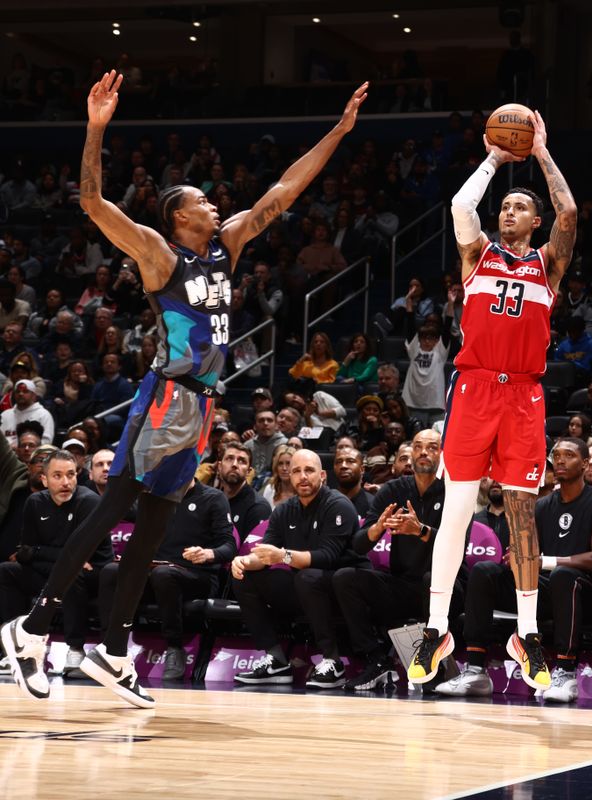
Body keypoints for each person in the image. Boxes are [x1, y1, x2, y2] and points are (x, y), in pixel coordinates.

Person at [0, 69, 368, 707]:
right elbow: (91, 201)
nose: (214, 203)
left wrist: (337, 131)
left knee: (151, 530)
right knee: (114, 510)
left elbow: (285, 188)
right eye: (201, 199)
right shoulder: (156, 254)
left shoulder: (226, 246)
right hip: (165, 397)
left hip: (200, 405)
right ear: (178, 216)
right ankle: (31, 628)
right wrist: (94, 130)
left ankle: (112, 652)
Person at [407, 109, 577, 688]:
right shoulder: (476, 254)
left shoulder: (547, 263)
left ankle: (527, 633)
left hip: (524, 395)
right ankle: (436, 627)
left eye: (519, 207)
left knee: (522, 512)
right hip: (475, 388)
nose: (509, 211)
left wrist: (542, 152)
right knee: (457, 506)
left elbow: (571, 214)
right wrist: (496, 159)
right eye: (505, 205)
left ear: (534, 220)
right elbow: (460, 207)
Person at [437, 437, 592, 700]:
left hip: (586, 594)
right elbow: (526, 554)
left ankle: (566, 673)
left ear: (585, 463)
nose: (561, 460)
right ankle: (475, 669)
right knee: (485, 571)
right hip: (543, 590)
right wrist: (517, 558)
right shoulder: (541, 505)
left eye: (569, 455)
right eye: (557, 456)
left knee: (563, 576)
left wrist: (542, 561)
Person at [231, 450, 367, 689]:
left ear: (322, 475)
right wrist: (243, 561)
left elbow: (327, 557)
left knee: (308, 577)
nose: (302, 477)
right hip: (304, 589)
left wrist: (283, 555)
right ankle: (276, 660)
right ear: (289, 476)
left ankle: (333, 661)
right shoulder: (284, 510)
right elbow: (265, 553)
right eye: (296, 471)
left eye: (309, 470)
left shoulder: (338, 505)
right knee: (244, 578)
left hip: (343, 590)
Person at [334, 429, 458, 691]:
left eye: (432, 447)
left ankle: (433, 661)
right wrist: (377, 528)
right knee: (345, 578)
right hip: (402, 584)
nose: (424, 452)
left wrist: (421, 531)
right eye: (418, 446)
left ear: (442, 454)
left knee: (430, 580)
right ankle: (376, 660)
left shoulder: (455, 491)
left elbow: (460, 543)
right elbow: (358, 545)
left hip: (448, 589)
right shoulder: (393, 490)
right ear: (410, 453)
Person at [97, 479, 235, 681]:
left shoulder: (213, 498)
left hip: (197, 575)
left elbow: (229, 545)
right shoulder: (155, 496)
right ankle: (109, 648)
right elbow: (123, 510)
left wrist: (208, 554)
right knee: (110, 571)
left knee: (163, 574)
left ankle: (174, 647)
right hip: (154, 573)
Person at [0, 449, 112, 678]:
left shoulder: (89, 502)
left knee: (70, 574)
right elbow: (26, 552)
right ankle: (17, 648)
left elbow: (83, 555)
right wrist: (43, 554)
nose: (65, 482)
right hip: (55, 569)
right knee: (6, 571)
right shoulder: (34, 502)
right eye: (57, 475)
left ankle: (76, 649)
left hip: (92, 574)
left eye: (70, 475)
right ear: (44, 479)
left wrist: (41, 554)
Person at [0, 380, 54, 447]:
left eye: (25, 391)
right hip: (6, 455)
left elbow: (46, 442)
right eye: (18, 392)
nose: (21, 394)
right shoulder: (5, 415)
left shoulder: (43, 415)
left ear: (34, 396)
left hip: (32, 455)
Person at [243, 409, 287, 480]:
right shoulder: (247, 445)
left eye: (269, 420)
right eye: (261, 420)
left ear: (276, 425)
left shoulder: (285, 444)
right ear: (255, 426)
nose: (265, 423)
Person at [333, 447, 374, 517]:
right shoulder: (325, 502)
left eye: (350, 461)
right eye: (339, 462)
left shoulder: (373, 504)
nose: (343, 466)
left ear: (362, 469)